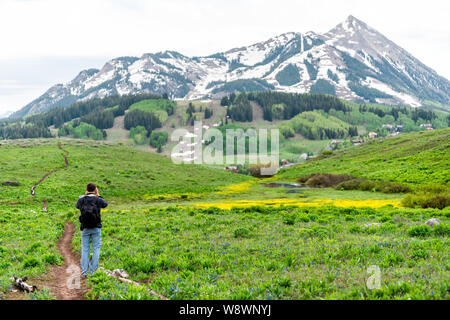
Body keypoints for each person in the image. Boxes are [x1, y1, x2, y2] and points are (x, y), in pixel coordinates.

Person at [76, 182, 108, 277]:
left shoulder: (81, 199)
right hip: (96, 227)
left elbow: (77, 206)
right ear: (95, 190)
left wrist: (85, 195)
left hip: (85, 227)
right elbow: (105, 204)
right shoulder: (98, 199)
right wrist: (98, 194)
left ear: (86, 189)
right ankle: (93, 272)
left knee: (85, 250)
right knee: (96, 249)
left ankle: (84, 272)